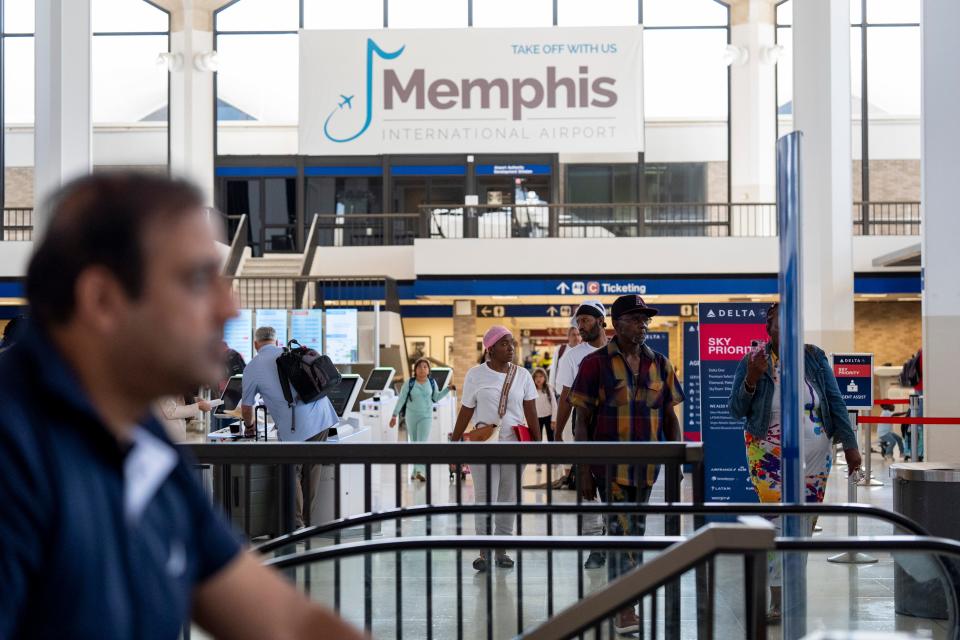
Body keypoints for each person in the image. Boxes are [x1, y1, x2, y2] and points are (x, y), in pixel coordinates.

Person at [0, 172, 363, 639]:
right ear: (102, 299)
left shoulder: (137, 438)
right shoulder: (15, 453)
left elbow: (284, 621)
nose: (228, 307)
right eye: (196, 280)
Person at [729, 302, 862, 623]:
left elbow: (835, 401)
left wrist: (851, 444)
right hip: (768, 455)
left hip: (817, 455)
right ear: (768, 326)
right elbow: (735, 409)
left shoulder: (813, 356)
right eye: (779, 320)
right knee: (777, 522)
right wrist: (751, 377)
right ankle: (778, 599)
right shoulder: (754, 360)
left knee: (802, 523)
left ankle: (793, 590)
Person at [569, 295, 685, 635]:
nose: (643, 325)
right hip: (610, 469)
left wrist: (677, 457)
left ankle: (621, 599)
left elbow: (668, 415)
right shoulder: (594, 364)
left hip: (647, 470)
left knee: (636, 531)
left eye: (645, 319)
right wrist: (583, 468)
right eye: (636, 319)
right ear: (617, 325)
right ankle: (625, 608)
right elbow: (582, 419)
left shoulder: (660, 363)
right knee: (623, 534)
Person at [451, 325, 541, 572]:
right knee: (485, 498)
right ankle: (484, 551)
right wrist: (455, 441)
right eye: (504, 344)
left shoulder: (522, 375)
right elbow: (466, 409)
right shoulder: (475, 375)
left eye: (512, 343)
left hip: (514, 443)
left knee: (508, 498)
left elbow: (531, 411)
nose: (511, 348)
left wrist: (539, 444)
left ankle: (502, 549)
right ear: (489, 349)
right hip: (484, 445)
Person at [241, 326, 339, 529]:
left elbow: (246, 406)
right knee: (312, 469)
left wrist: (249, 427)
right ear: (276, 342)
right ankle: (308, 522)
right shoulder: (291, 353)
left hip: (295, 426)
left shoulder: (252, 367)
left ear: (255, 344)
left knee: (291, 470)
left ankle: (296, 524)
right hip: (322, 416)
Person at [553, 300, 609, 568]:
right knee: (589, 487)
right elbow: (565, 396)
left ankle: (615, 539)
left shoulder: (619, 350)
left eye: (585, 320)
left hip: (616, 426)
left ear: (601, 321)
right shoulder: (573, 356)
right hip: (585, 424)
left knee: (615, 487)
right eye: (578, 321)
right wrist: (556, 433)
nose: (580, 326)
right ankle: (596, 547)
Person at [390, 357, 450, 481]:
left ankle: (421, 471)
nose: (422, 369)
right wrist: (394, 415)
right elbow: (401, 399)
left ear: (428, 370)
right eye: (419, 367)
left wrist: (448, 389)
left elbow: (436, 397)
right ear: (415, 370)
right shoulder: (409, 383)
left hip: (426, 417)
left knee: (421, 443)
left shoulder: (432, 382)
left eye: (425, 367)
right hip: (411, 417)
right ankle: (415, 471)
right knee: (414, 444)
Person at [548, 324, 581, 392]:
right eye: (573, 335)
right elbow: (554, 368)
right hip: (561, 390)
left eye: (578, 334)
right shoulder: (560, 349)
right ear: (568, 337)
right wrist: (551, 388)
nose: (576, 337)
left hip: (578, 392)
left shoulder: (584, 351)